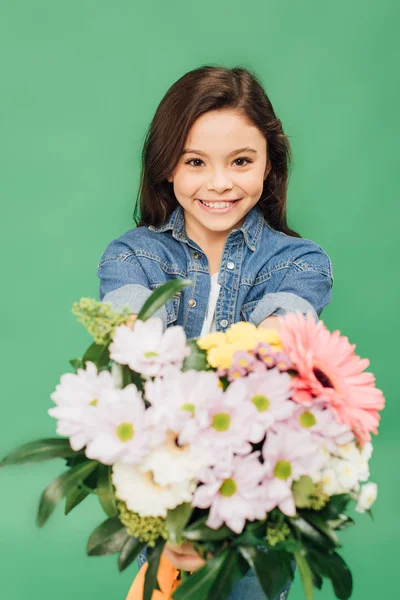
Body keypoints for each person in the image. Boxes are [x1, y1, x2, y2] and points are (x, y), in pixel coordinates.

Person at [97, 64, 333, 600]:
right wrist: (174, 505)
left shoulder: (301, 263)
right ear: (166, 167)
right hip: (161, 487)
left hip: (253, 504)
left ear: (269, 163)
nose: (220, 183)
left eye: (241, 161)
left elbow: (270, 354)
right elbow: (139, 355)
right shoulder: (133, 255)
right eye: (195, 161)